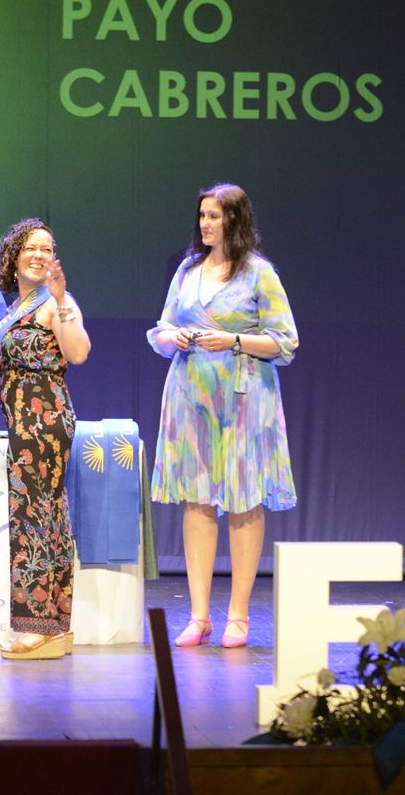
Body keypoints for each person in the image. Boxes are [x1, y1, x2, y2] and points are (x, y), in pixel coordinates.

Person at [147, 183, 298, 648]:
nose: (204, 224)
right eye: (202, 216)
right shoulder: (189, 270)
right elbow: (160, 328)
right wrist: (174, 338)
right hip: (191, 396)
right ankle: (198, 615)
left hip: (243, 399)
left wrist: (233, 341)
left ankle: (238, 616)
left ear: (234, 219)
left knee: (243, 499)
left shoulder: (258, 274)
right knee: (197, 500)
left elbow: (285, 342)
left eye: (213, 216)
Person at [0, 218, 90, 658]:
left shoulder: (55, 303)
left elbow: (79, 352)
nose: (38, 254)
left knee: (33, 519)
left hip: (43, 423)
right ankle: (55, 625)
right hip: (23, 424)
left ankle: (37, 626)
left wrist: (64, 299)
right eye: (30, 247)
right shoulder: (13, 309)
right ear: (14, 257)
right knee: (46, 518)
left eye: (47, 249)